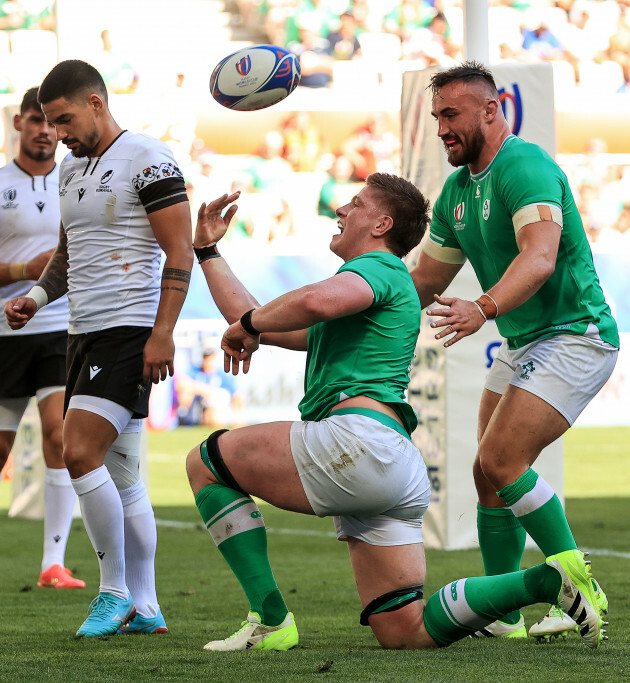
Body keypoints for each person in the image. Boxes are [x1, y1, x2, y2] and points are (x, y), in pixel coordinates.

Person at [184, 177, 604, 652]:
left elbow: (304, 304)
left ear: (381, 224)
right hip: (392, 466)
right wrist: (207, 252)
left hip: (355, 444)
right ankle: (542, 584)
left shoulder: (380, 267)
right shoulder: (365, 291)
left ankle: (270, 618)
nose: (340, 208)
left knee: (204, 463)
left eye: (356, 203)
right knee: (406, 632)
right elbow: (255, 315)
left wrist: (249, 325)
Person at [410, 61, 618, 641]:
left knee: (502, 463)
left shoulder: (522, 164)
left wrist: (482, 308)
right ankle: (503, 615)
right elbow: (424, 279)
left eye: (452, 115)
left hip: (577, 335)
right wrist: (355, 297)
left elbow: (540, 257)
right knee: (486, 474)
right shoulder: (456, 188)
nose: (443, 128)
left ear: (492, 108)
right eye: (436, 118)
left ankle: (582, 585)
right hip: (525, 341)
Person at [4, 60, 193, 637]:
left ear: (95, 102)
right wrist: (36, 297)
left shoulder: (148, 157)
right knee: (125, 474)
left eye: (64, 120)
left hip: (129, 329)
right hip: (79, 331)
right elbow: (68, 254)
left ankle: (112, 593)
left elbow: (179, 253)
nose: (58, 133)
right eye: (50, 123)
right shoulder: (68, 170)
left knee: (78, 449)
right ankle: (148, 602)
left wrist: (162, 333)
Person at [0, 86, 85, 590]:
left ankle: (54, 562)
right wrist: (20, 269)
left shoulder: (75, 180)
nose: (44, 130)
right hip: (6, 331)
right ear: (19, 123)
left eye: (51, 122)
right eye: (34, 120)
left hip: (58, 327)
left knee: (59, 433)